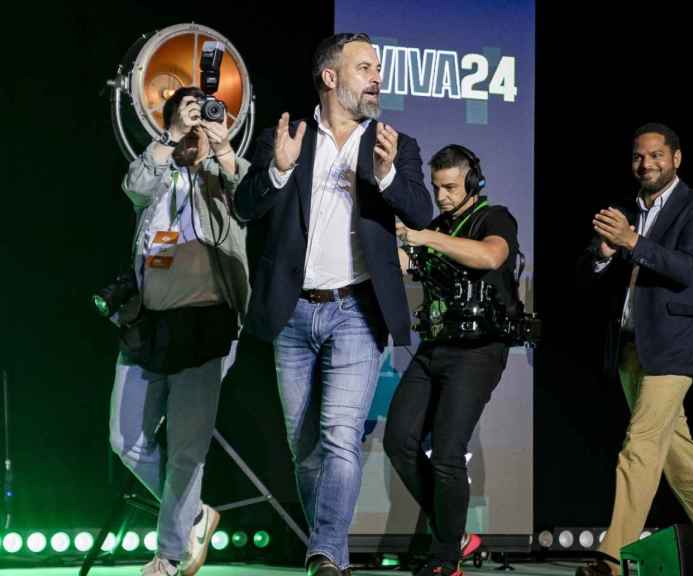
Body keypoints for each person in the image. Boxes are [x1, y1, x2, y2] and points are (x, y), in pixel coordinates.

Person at [234, 32, 433, 576]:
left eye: (378, 68)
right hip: (292, 312)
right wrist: (276, 171)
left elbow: (420, 211)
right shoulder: (291, 136)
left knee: (340, 436)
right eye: (365, 67)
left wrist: (389, 175)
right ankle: (325, 545)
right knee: (305, 448)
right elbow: (244, 206)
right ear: (330, 78)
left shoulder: (395, 144)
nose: (377, 78)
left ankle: (326, 555)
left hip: (356, 311)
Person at [576, 123, 693, 576]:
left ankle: (612, 556)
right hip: (630, 345)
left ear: (676, 158)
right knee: (676, 453)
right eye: (638, 157)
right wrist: (605, 253)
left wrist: (633, 242)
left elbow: (689, 269)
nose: (646, 164)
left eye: (656, 156)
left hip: (677, 345)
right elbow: (586, 272)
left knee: (640, 445)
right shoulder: (624, 209)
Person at [110, 86, 250, 576]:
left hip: (206, 322)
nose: (196, 130)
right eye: (186, 121)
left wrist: (221, 147)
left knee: (186, 448)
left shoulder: (225, 174)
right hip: (148, 322)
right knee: (125, 439)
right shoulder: (159, 172)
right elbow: (134, 186)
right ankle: (193, 514)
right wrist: (171, 138)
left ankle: (169, 554)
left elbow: (251, 198)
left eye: (206, 118)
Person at [384, 144, 519, 576]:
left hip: (479, 350)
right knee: (399, 439)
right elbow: (410, 264)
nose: (441, 196)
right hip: (436, 347)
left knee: (446, 453)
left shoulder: (493, 218)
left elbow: (491, 256)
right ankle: (454, 532)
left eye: (450, 187)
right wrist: (392, 238)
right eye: (436, 186)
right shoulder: (437, 224)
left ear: (472, 182)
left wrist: (427, 236)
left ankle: (446, 559)